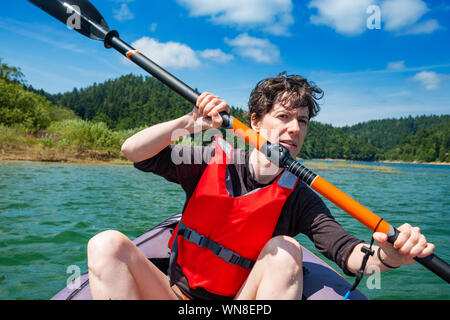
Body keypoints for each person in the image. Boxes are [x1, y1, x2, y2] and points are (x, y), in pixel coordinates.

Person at [87, 73, 435, 300]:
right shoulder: (209, 158)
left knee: (285, 250)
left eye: (302, 121)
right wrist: (189, 122)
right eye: (283, 117)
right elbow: (134, 151)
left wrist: (389, 257)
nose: (295, 129)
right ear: (254, 121)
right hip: (174, 295)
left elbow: (347, 251)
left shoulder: (299, 197)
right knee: (106, 245)